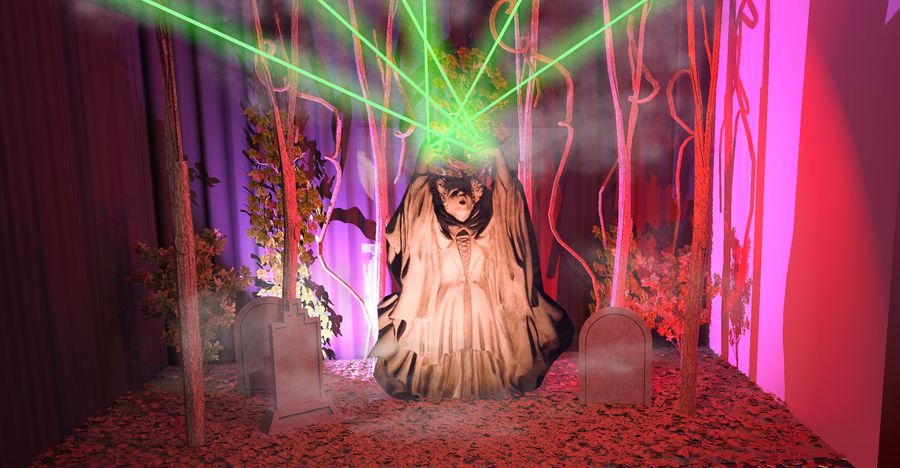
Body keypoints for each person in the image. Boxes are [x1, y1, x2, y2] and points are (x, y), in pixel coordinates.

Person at [369, 138, 573, 400]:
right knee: (441, 353)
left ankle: (490, 386)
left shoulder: (491, 232)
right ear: (443, 201)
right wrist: (421, 165)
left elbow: (507, 198)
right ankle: (439, 387)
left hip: (485, 312)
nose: (461, 195)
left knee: (491, 349)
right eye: (455, 192)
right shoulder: (431, 232)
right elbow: (414, 206)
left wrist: (497, 155)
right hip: (444, 312)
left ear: (476, 197)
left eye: (465, 191)